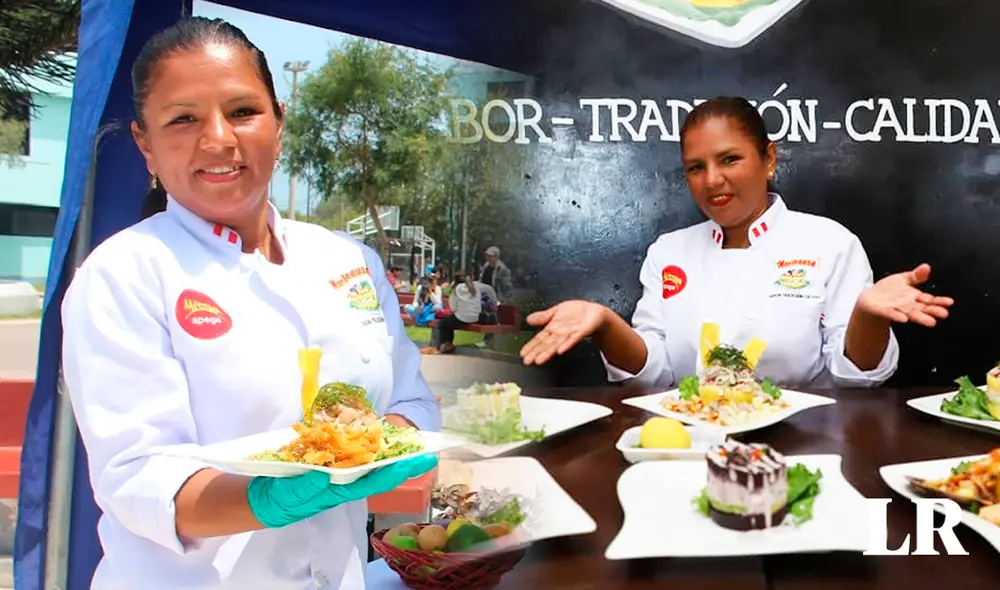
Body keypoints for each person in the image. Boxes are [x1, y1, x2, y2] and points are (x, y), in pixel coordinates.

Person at [59, 17, 439, 590]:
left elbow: (413, 398)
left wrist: (377, 443)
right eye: (183, 118)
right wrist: (269, 500)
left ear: (278, 123)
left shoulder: (347, 259)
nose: (218, 139)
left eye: (242, 112)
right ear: (146, 144)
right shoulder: (124, 272)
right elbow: (137, 477)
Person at [519, 96, 953, 389]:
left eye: (730, 159)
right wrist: (606, 324)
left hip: (807, 446)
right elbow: (654, 374)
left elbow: (855, 377)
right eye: (695, 167)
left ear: (768, 158)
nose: (712, 180)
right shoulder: (669, 252)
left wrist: (868, 316)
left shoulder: (829, 242)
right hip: (691, 448)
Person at [435, 272, 498, 354]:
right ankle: (448, 345)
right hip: (476, 317)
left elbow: (453, 307)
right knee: (449, 323)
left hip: (462, 318)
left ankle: (444, 345)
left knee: (442, 324)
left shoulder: (457, 289)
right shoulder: (474, 288)